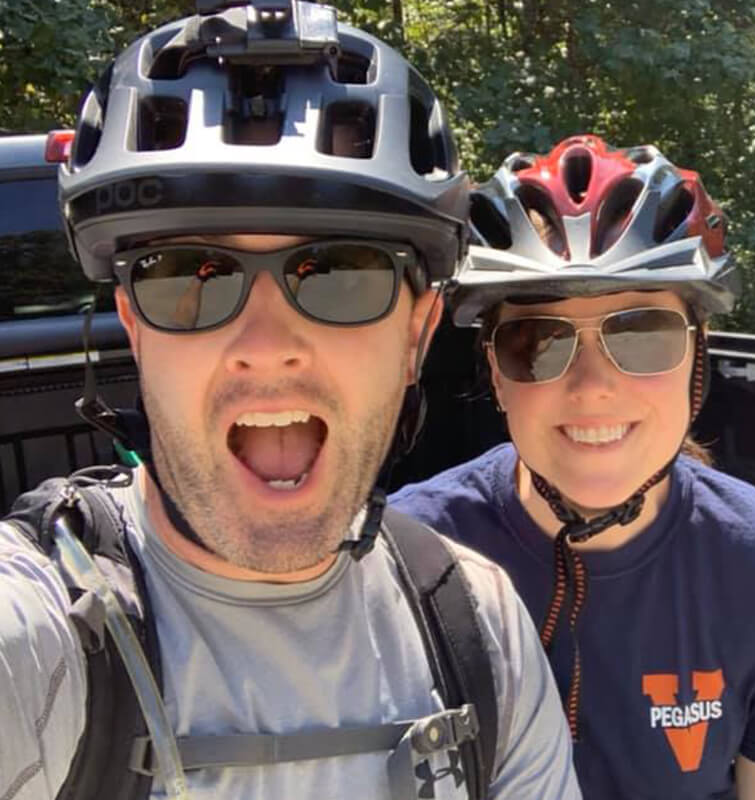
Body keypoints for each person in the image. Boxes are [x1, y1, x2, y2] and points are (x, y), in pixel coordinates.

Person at [0, 4, 580, 800]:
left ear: (417, 332)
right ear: (135, 327)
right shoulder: (37, 635)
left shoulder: (480, 628)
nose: (267, 342)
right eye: (186, 275)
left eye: (342, 272)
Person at [393, 135, 755, 799]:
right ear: (496, 372)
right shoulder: (405, 561)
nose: (594, 387)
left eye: (642, 334)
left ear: (697, 355)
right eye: (538, 342)